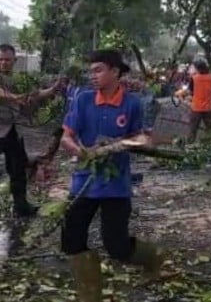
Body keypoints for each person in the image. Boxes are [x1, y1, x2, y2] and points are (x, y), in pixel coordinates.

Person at [60, 49, 164, 302]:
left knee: (116, 246)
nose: (92, 75)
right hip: (84, 181)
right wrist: (80, 151)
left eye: (98, 70)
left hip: (115, 186)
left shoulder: (132, 104)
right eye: (91, 70)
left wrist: (136, 142)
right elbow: (66, 137)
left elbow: (143, 136)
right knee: (71, 239)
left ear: (115, 72)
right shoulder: (83, 100)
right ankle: (89, 296)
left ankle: (153, 257)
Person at [0, 44, 58, 220]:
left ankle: (21, 206)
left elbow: (33, 95)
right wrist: (14, 97)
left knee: (17, 170)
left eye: (7, 59)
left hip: (13, 130)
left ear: (15, 60)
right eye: (0, 59)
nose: (4, 63)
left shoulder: (17, 80)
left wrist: (53, 90)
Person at [187, 60, 211, 143]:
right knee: (210, 129)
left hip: (196, 107)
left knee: (193, 129)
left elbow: (191, 91)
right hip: (208, 107)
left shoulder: (194, 78)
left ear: (197, 68)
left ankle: (189, 146)